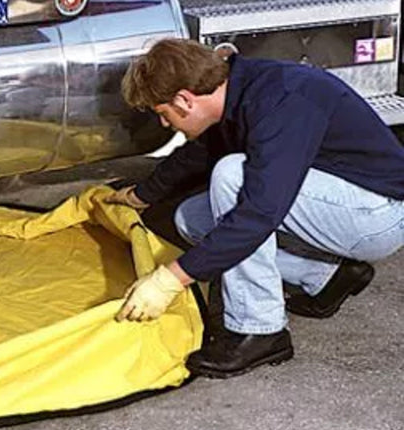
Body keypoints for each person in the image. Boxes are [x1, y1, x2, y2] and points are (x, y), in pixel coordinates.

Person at [108, 38, 404, 378]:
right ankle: (325, 275)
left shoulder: (282, 99)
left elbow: (260, 213)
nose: (165, 124)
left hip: (380, 215)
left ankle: (260, 330)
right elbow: (200, 153)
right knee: (192, 219)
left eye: (163, 114)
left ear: (184, 100)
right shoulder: (236, 88)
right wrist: (141, 195)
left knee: (232, 177)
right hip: (346, 203)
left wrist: (170, 279)